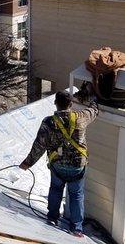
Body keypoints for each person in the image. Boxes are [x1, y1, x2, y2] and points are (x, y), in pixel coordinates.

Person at [19, 85, 98, 238]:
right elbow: (94, 110)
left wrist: (27, 163)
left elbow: (39, 146)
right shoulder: (81, 117)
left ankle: (52, 218)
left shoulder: (48, 122)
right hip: (77, 166)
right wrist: (94, 99)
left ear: (55, 103)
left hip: (58, 165)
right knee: (76, 194)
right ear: (71, 104)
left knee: (56, 189)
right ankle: (76, 229)